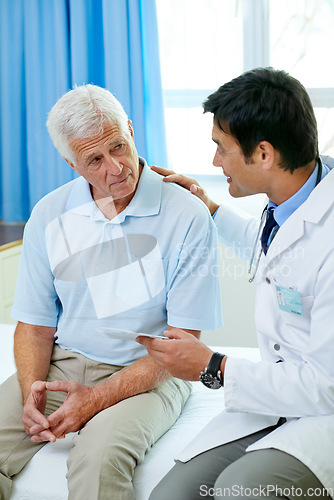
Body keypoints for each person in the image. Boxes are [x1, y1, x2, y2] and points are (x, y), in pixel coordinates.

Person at [0, 84, 222, 500]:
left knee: (97, 462)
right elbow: (33, 326)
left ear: (131, 130)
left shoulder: (186, 214)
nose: (116, 168)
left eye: (119, 146)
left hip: (154, 370)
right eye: (94, 160)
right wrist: (32, 391)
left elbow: (184, 342)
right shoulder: (49, 214)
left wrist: (97, 399)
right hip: (63, 363)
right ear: (71, 164)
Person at [138, 68, 334, 499]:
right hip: (279, 397)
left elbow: (326, 386)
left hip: (326, 411)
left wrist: (215, 367)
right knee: (170, 495)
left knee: (239, 490)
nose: (214, 163)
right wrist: (209, 208)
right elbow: (276, 252)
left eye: (221, 149)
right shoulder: (295, 196)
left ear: (263, 154)